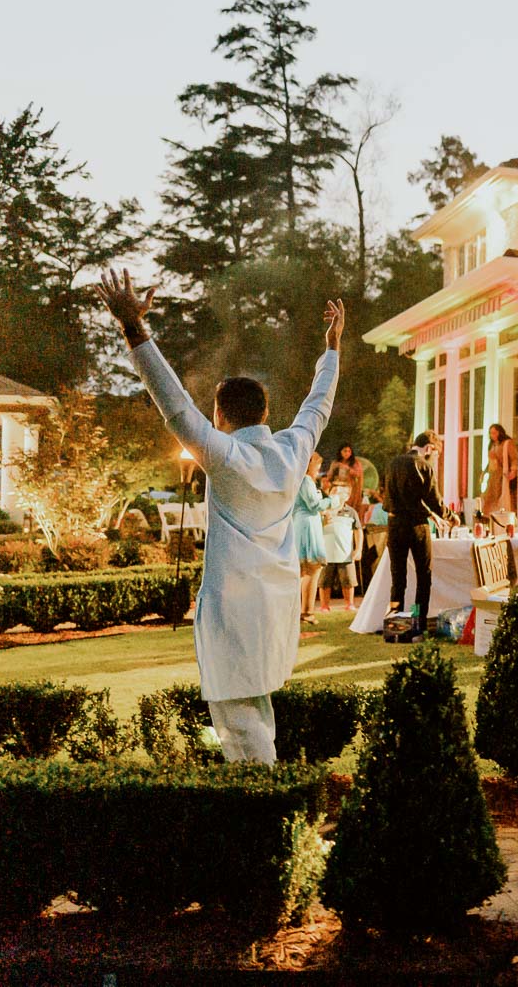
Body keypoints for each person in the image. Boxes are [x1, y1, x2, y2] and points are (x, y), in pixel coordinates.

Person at [96, 268, 342, 765]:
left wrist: (132, 328)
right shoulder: (293, 449)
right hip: (275, 607)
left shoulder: (226, 456)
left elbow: (172, 403)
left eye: (213, 412)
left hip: (233, 610)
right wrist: (332, 348)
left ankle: (266, 815)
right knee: (258, 710)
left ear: (224, 416)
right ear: (263, 413)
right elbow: (318, 405)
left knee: (238, 725)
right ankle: (272, 801)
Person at [383, 430, 454, 636]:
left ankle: (396, 626)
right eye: (436, 453)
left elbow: (398, 496)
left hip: (394, 524)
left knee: (398, 578)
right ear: (429, 448)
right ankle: (417, 623)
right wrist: (450, 515)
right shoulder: (425, 466)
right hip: (416, 527)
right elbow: (434, 499)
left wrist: (432, 513)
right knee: (424, 576)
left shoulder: (393, 463)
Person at [294, 452, 335, 625]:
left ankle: (302, 611)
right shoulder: (305, 480)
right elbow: (313, 505)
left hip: (302, 524)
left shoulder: (298, 480)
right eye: (317, 466)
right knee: (311, 568)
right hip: (308, 526)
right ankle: (307, 611)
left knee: (304, 570)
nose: (319, 470)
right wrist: (332, 500)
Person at [318, 486, 362, 612]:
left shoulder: (351, 512)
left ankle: (350, 604)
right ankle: (324, 605)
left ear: (346, 497)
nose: (335, 495)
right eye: (333, 492)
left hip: (345, 553)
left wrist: (358, 549)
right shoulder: (323, 510)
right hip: (325, 553)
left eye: (338, 493)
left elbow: (358, 531)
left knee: (348, 580)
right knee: (324, 581)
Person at [480, 423, 517, 521]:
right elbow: (490, 462)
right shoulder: (492, 445)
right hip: (493, 476)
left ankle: (503, 520)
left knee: (501, 497)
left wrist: (513, 470)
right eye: (490, 433)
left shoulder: (507, 444)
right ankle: (489, 519)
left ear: (500, 432)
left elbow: (514, 458)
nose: (492, 435)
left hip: (502, 475)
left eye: (494, 433)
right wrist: (484, 473)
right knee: (489, 498)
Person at [325, 443, 366, 518]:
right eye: (345, 451)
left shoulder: (355, 463)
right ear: (340, 452)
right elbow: (329, 477)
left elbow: (358, 474)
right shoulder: (335, 462)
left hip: (349, 490)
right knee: (334, 509)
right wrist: (334, 468)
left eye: (349, 451)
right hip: (336, 488)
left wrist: (346, 467)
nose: (347, 453)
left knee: (346, 510)